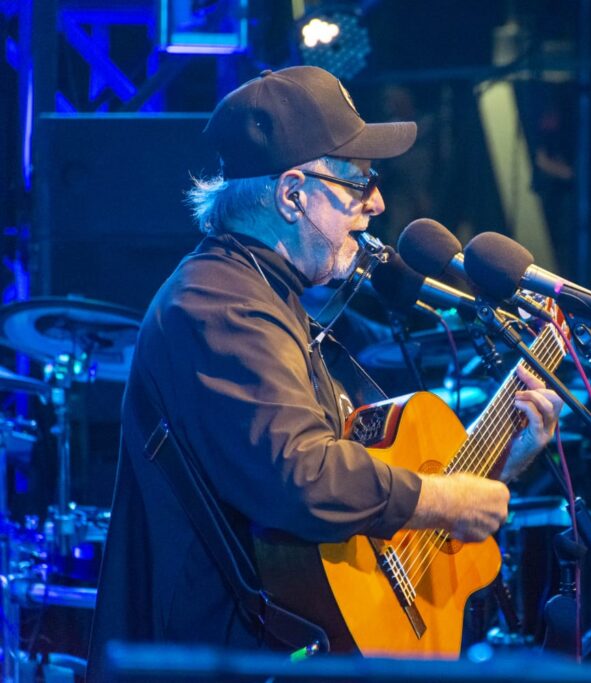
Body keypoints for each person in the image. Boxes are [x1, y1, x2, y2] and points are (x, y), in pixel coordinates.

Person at [86, 66, 562, 679]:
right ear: (292, 194)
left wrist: (501, 457)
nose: (378, 203)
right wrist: (442, 498)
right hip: (208, 659)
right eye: (359, 181)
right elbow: (304, 476)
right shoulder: (218, 307)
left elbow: (338, 514)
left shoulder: (263, 297)